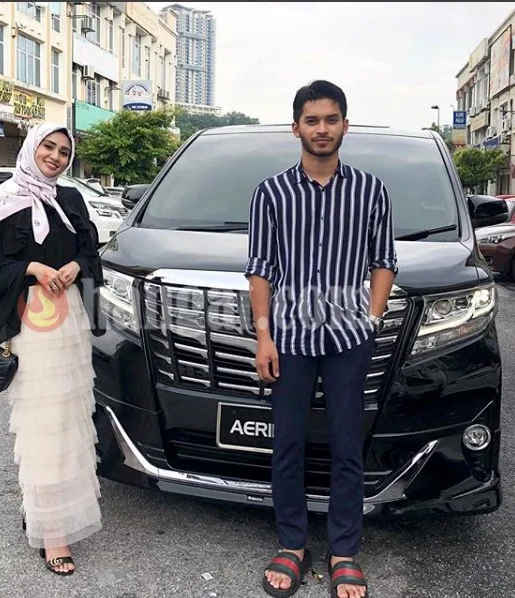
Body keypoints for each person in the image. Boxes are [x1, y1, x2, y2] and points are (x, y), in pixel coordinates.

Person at [245, 80, 397, 598]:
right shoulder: (271, 193)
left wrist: (371, 318)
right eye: (312, 120)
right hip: (288, 337)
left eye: (331, 119)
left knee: (346, 445)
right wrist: (264, 336)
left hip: (349, 338)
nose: (322, 128)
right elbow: (261, 268)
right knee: (287, 443)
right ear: (296, 128)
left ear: (345, 125)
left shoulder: (371, 190)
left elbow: (383, 260)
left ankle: (343, 551)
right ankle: (292, 544)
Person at [0, 122, 106, 576]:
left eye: (64, 152)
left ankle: (48, 510)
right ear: (32, 147)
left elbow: (91, 254)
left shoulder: (71, 200)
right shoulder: (2, 202)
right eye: (48, 147)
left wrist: (74, 267)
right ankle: (53, 532)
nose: (55, 157)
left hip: (70, 323)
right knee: (42, 425)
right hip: (30, 326)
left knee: (69, 421)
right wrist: (32, 267)